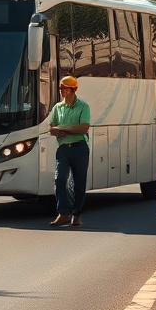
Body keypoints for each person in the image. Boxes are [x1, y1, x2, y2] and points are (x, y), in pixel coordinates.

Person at [48, 75, 90, 228]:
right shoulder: (57, 107)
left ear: (73, 89)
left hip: (79, 147)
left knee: (79, 183)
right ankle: (63, 213)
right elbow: (52, 128)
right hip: (63, 149)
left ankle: (76, 215)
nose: (61, 91)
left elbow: (83, 128)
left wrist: (63, 129)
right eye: (61, 88)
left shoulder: (83, 106)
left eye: (65, 88)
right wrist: (56, 131)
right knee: (59, 179)